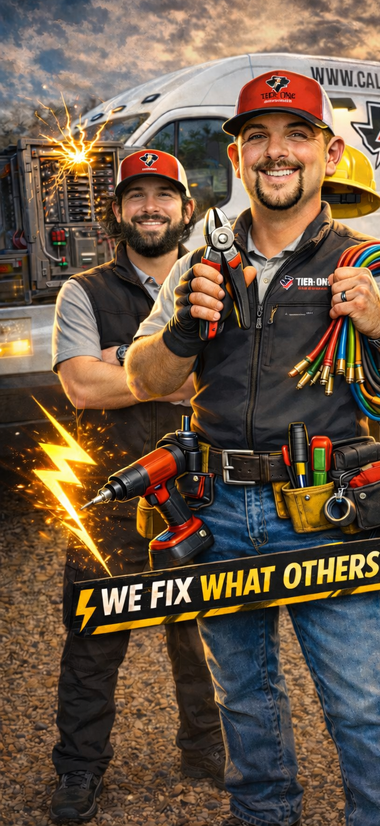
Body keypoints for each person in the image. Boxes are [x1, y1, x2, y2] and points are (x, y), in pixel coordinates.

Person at [124, 70, 380, 826]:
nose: (278, 153)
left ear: (328, 153)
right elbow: (144, 380)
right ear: (237, 157)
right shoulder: (197, 265)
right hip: (217, 514)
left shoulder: (363, 262)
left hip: (327, 512)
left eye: (296, 134)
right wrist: (181, 330)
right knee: (245, 703)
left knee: (366, 707)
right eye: (259, 137)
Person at [49, 150, 224, 824]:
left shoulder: (214, 284)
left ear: (186, 208)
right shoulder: (83, 291)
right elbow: (81, 387)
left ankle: (208, 752)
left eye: (164, 195)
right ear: (118, 211)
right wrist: (162, 376)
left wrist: (121, 359)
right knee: (94, 643)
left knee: (205, 635)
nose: (151, 207)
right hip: (111, 501)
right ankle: (79, 771)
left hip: (201, 494)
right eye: (136, 197)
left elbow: (229, 382)